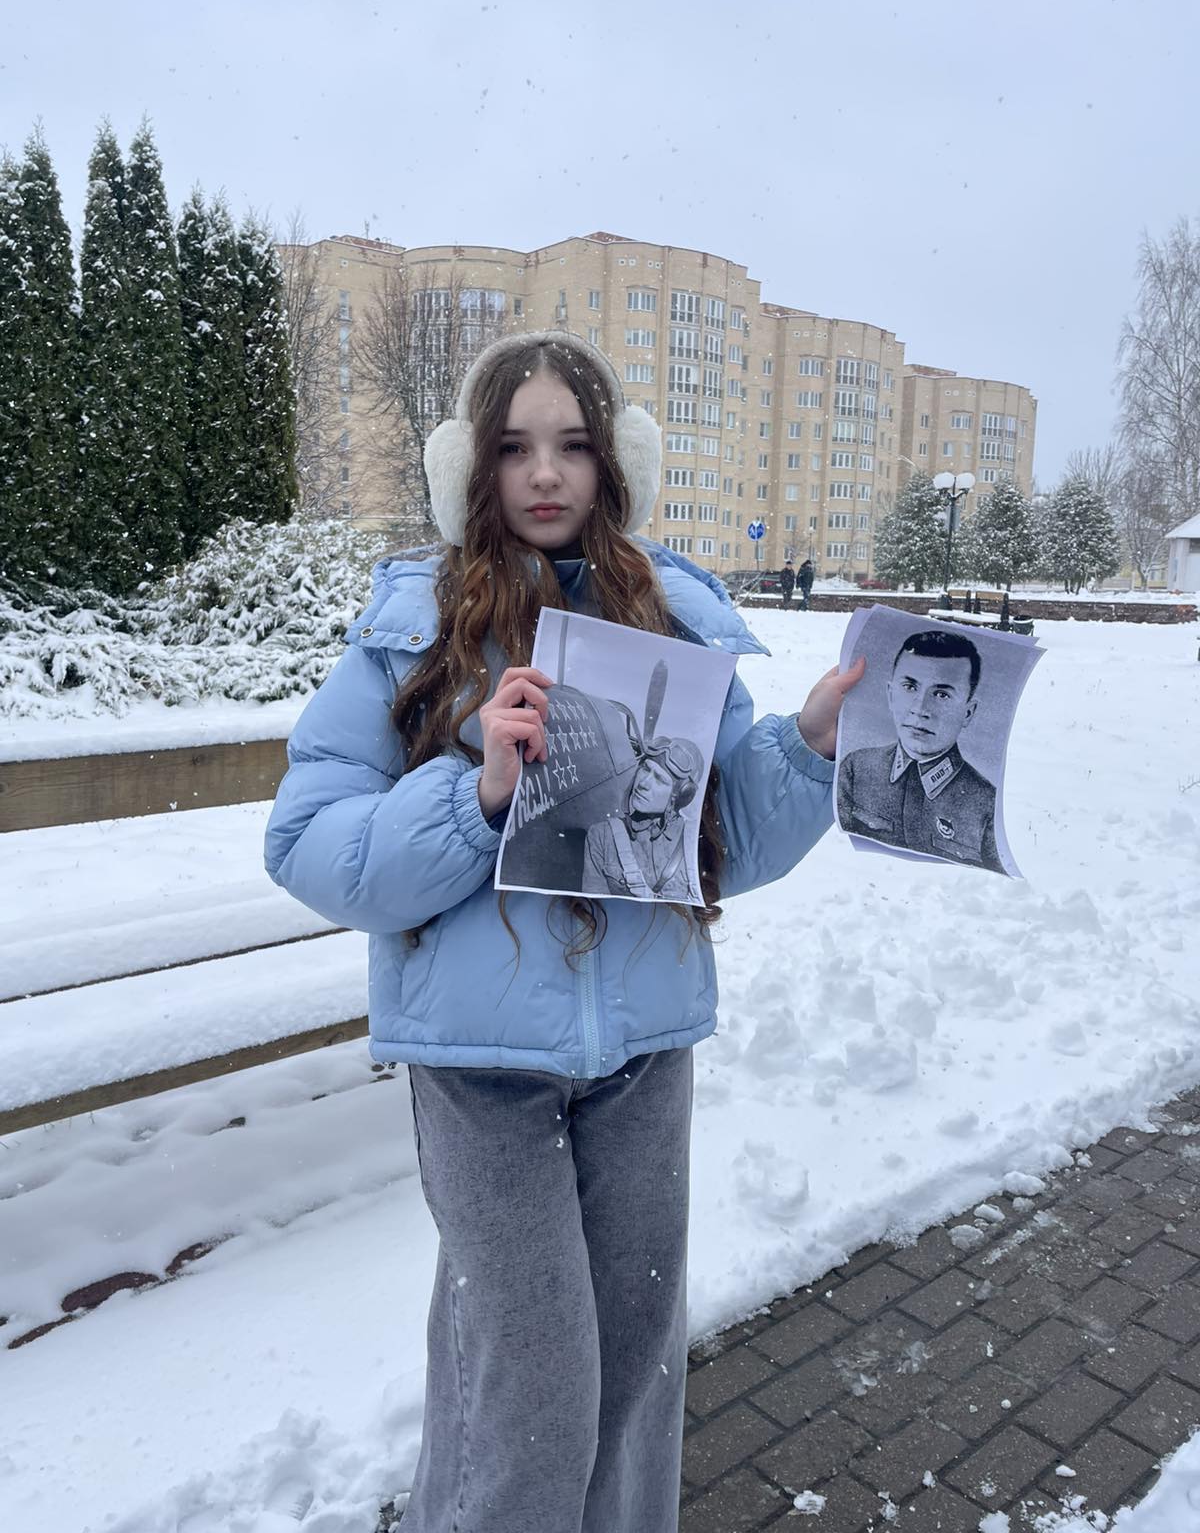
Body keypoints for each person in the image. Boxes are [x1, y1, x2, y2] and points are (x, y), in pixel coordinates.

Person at [264, 329, 864, 1533]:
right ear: (470, 467)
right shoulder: (412, 632)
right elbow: (310, 844)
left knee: (634, 1373)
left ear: (616, 460)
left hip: (643, 1054)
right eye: (515, 447)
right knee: (533, 1393)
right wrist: (476, 794)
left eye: (575, 445)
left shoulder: (669, 623)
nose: (546, 474)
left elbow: (726, 840)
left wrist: (806, 749)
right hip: (481, 1074)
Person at [837, 628, 1002, 872]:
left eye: (942, 694)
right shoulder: (856, 769)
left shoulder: (987, 805)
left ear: (968, 712)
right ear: (890, 695)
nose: (920, 708)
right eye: (910, 687)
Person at [582, 734, 705, 900]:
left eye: (659, 780)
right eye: (646, 769)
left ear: (680, 796)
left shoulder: (694, 842)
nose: (644, 783)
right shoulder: (602, 836)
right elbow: (593, 907)